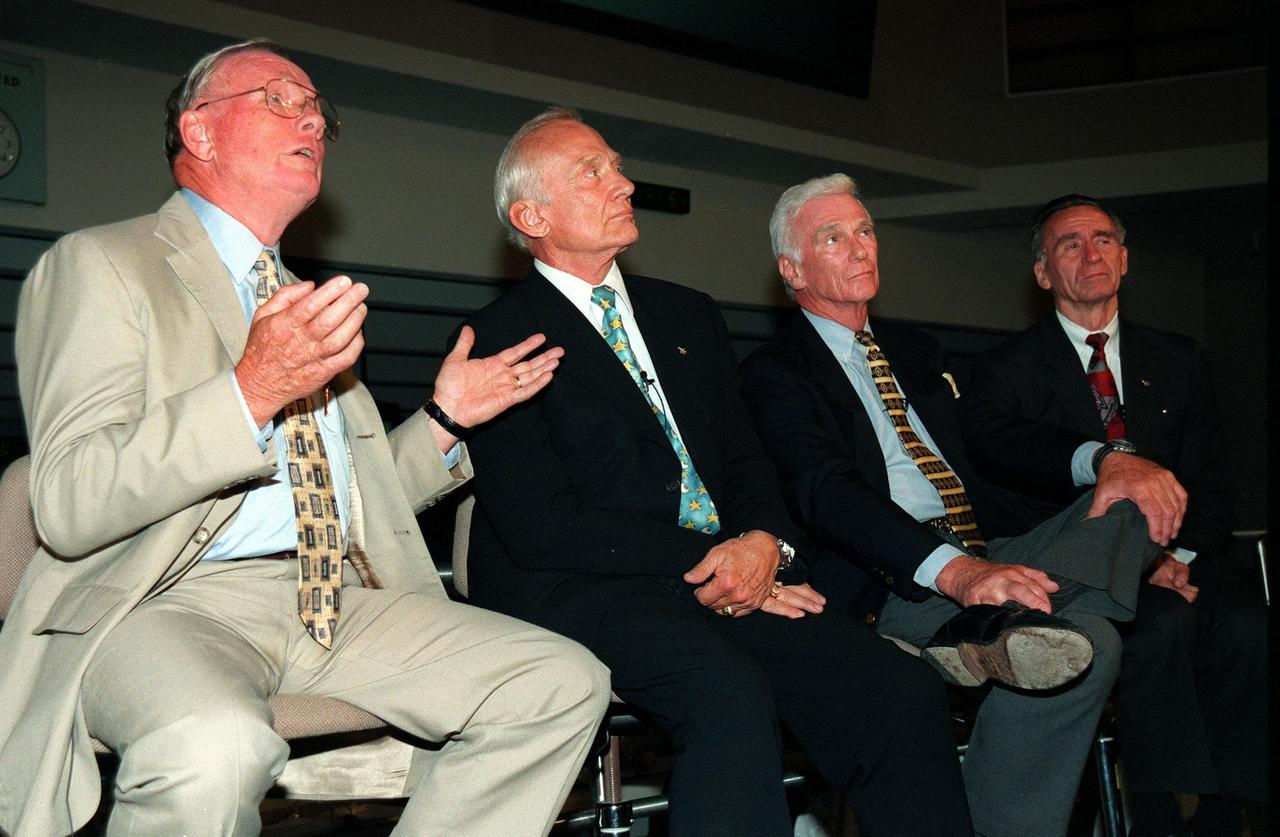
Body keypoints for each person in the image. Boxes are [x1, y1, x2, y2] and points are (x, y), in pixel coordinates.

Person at [0, 41, 610, 837]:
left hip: (331, 601)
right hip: (164, 601)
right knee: (211, 744)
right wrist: (251, 389)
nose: (311, 118)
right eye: (279, 99)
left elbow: (344, 494)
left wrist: (446, 418)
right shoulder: (102, 265)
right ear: (201, 132)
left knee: (562, 680)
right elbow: (69, 500)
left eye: (317, 108)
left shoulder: (299, 301)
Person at [459, 108, 971, 836]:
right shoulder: (499, 338)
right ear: (531, 214)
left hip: (729, 573)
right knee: (727, 695)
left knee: (899, 690)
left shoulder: (686, 315)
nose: (625, 182)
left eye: (618, 165)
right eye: (593, 171)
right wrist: (721, 561)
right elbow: (544, 526)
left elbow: (746, 461)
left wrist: (766, 544)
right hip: (584, 588)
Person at [739, 174, 1188, 837]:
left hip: (990, 547)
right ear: (791, 267)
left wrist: (1105, 458)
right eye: (833, 237)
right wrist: (958, 574)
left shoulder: (914, 351)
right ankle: (982, 623)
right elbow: (827, 490)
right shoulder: (775, 372)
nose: (860, 248)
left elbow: (993, 433)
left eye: (865, 230)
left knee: (1131, 496)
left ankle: (989, 630)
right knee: (1093, 643)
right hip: (898, 575)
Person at [969, 194, 1267, 837]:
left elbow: (1211, 484)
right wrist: (1135, 563)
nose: (1091, 253)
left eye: (1103, 239)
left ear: (1125, 258)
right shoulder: (1003, 373)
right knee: (1157, 633)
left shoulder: (1179, 359)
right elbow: (1016, 500)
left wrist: (1173, 558)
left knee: (1247, 626)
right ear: (1044, 272)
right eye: (1069, 244)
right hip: (1085, 575)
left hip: (1185, 560)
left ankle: (1230, 811)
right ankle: (1155, 815)